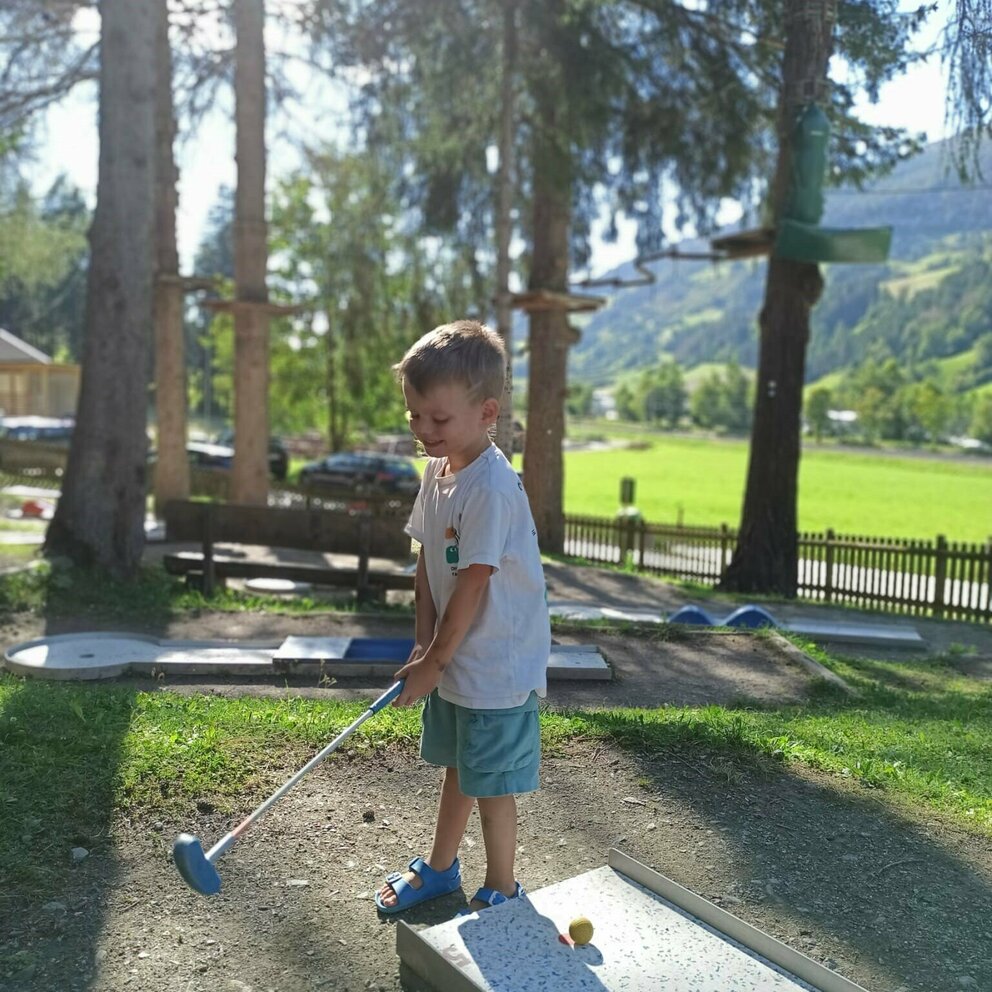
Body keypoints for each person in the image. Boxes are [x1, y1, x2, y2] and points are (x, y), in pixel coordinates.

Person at [375, 319, 550, 916]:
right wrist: (425, 649)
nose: (424, 431)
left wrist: (438, 659)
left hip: (497, 663)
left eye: (438, 419)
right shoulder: (439, 473)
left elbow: (474, 582)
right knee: (459, 765)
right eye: (414, 418)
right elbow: (426, 560)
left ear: (487, 412)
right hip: (454, 655)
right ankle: (443, 869)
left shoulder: (493, 487)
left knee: (493, 784)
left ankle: (502, 887)